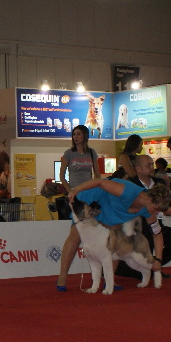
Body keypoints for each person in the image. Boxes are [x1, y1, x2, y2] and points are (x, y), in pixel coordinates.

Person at [65, 177, 171, 290]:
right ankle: (62, 279)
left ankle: (109, 283)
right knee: (76, 235)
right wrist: (76, 190)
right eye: (156, 209)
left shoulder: (149, 211)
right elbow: (99, 182)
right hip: (93, 198)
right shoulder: (129, 191)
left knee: (112, 249)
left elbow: (157, 234)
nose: (157, 212)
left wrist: (158, 260)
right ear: (150, 200)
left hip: (111, 211)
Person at [55, 124, 100, 290]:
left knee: (98, 234)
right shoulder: (69, 153)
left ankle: (104, 276)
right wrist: (70, 192)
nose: (76, 137)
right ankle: (62, 277)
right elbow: (61, 176)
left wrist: (99, 191)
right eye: (74, 134)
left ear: (85, 136)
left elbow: (97, 175)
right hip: (76, 195)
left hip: (91, 194)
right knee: (75, 234)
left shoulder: (92, 153)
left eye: (79, 134)